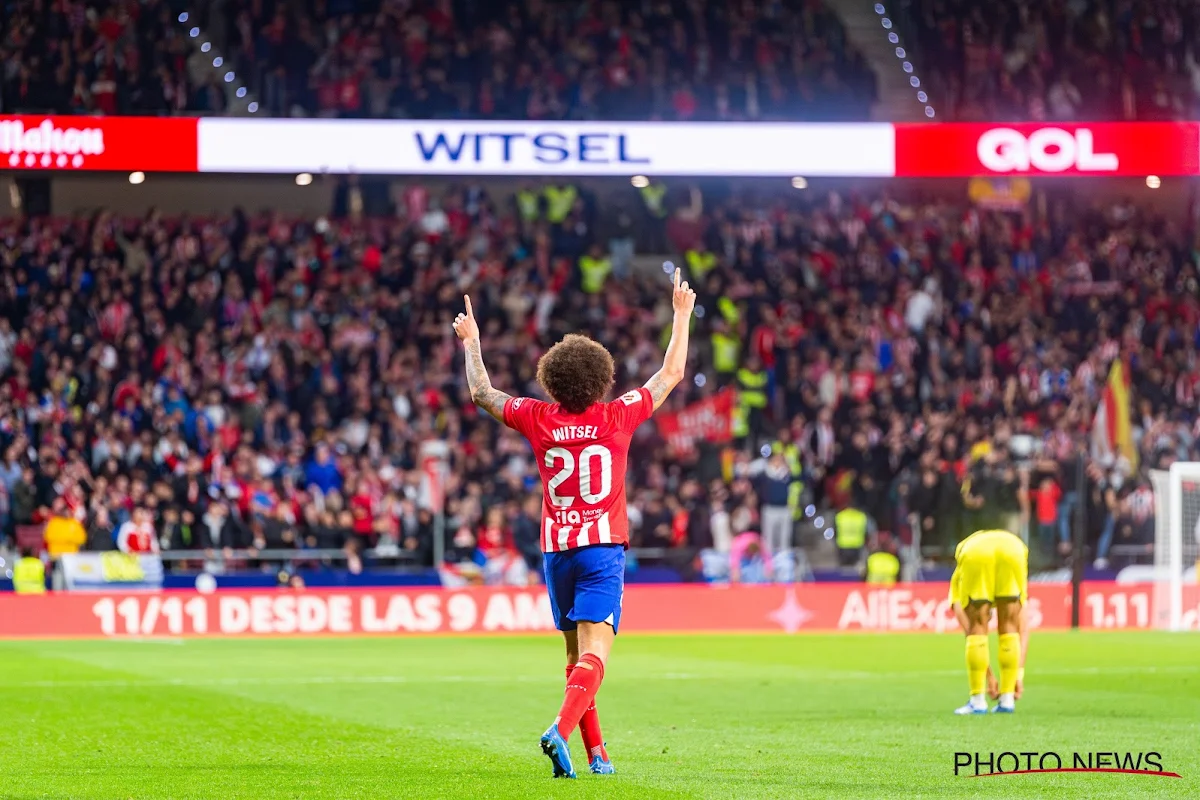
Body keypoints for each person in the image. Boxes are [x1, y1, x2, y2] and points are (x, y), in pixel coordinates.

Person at [452, 267, 696, 779]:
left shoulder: (537, 416)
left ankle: (597, 754)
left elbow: (482, 393)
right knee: (597, 653)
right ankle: (558, 732)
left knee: (574, 656)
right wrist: (681, 314)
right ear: (602, 379)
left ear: (551, 380)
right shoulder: (617, 416)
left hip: (556, 550)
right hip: (602, 547)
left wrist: (472, 343)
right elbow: (670, 374)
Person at [948, 528, 1030, 715]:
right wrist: (1017, 673)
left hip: (975, 552)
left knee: (978, 627)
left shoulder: (957, 580)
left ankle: (977, 702)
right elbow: (1023, 628)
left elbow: (970, 630)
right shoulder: (1013, 548)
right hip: (1014, 548)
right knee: (1009, 627)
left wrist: (988, 679)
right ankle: (1007, 700)